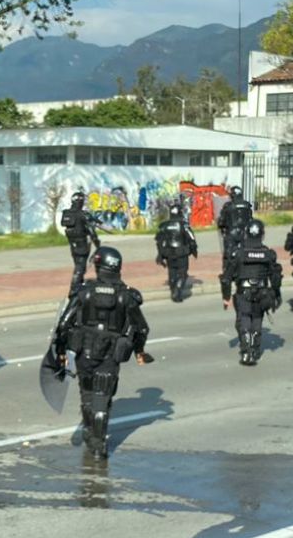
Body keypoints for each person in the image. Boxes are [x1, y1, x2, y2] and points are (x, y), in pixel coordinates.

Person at [61, 246, 151, 460]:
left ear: (99, 265)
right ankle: (99, 445)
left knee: (87, 395)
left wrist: (61, 351)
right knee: (103, 397)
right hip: (111, 354)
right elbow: (142, 328)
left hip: (84, 351)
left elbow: (64, 323)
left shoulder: (84, 291)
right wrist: (139, 351)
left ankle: (88, 431)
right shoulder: (127, 296)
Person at [220, 219, 283, 366]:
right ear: (262, 234)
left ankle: (246, 351)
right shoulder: (267, 253)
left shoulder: (239, 253)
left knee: (244, 319)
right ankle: (254, 350)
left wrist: (226, 297)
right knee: (257, 319)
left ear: (246, 234)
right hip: (262, 292)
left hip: (244, 291)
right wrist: (277, 294)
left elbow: (226, 278)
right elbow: (276, 276)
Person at [155, 203, 199, 302]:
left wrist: (160, 254)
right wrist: (194, 250)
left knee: (172, 272)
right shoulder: (184, 224)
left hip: (169, 253)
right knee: (182, 273)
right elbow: (191, 239)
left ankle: (173, 289)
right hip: (181, 253)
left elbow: (159, 241)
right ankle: (177, 291)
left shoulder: (164, 225)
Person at [61, 189, 101, 295]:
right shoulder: (82, 214)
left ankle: (78, 285)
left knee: (78, 264)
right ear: (81, 202)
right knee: (80, 267)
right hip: (82, 244)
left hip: (72, 244)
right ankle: (74, 289)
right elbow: (91, 231)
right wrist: (98, 245)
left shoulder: (67, 213)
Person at [216, 185, 254, 274]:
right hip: (245, 233)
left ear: (232, 195)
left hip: (231, 233)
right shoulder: (247, 205)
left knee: (228, 253)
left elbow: (222, 221)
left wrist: (221, 226)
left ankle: (228, 272)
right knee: (247, 250)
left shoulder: (228, 206)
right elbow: (251, 219)